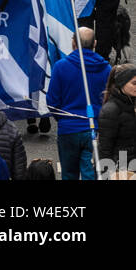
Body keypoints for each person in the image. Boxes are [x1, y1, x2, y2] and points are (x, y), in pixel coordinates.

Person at [46, 28, 110, 180]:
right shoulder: (106, 69)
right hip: (95, 129)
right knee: (91, 174)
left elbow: (52, 102)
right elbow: (108, 100)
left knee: (68, 174)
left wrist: (63, 119)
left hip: (68, 129)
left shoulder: (61, 67)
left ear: (73, 43)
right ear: (95, 43)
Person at [98, 64, 136, 170]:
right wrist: (106, 175)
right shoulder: (111, 110)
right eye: (134, 83)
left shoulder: (131, 103)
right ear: (121, 83)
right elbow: (104, 149)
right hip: (121, 167)